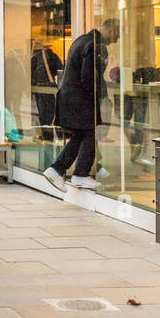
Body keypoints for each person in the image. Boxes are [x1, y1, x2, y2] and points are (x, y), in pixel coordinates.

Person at [44, 20, 119, 192]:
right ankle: (80, 174)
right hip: (80, 99)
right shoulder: (94, 44)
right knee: (89, 133)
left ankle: (57, 170)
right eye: (117, 35)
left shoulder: (82, 40)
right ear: (112, 29)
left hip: (71, 98)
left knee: (80, 135)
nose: (116, 41)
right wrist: (98, 96)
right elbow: (89, 77)